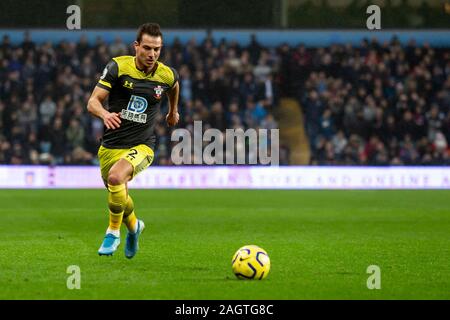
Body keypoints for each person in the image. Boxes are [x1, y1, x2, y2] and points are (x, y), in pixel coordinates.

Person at [87, 23, 179, 258]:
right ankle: (135, 227)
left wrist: (173, 112)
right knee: (119, 193)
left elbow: (174, 85)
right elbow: (92, 102)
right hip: (110, 146)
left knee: (116, 177)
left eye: (157, 49)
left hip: (143, 145)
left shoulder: (165, 74)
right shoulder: (118, 66)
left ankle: (113, 233)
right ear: (136, 46)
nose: (152, 54)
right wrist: (105, 114)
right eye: (147, 48)